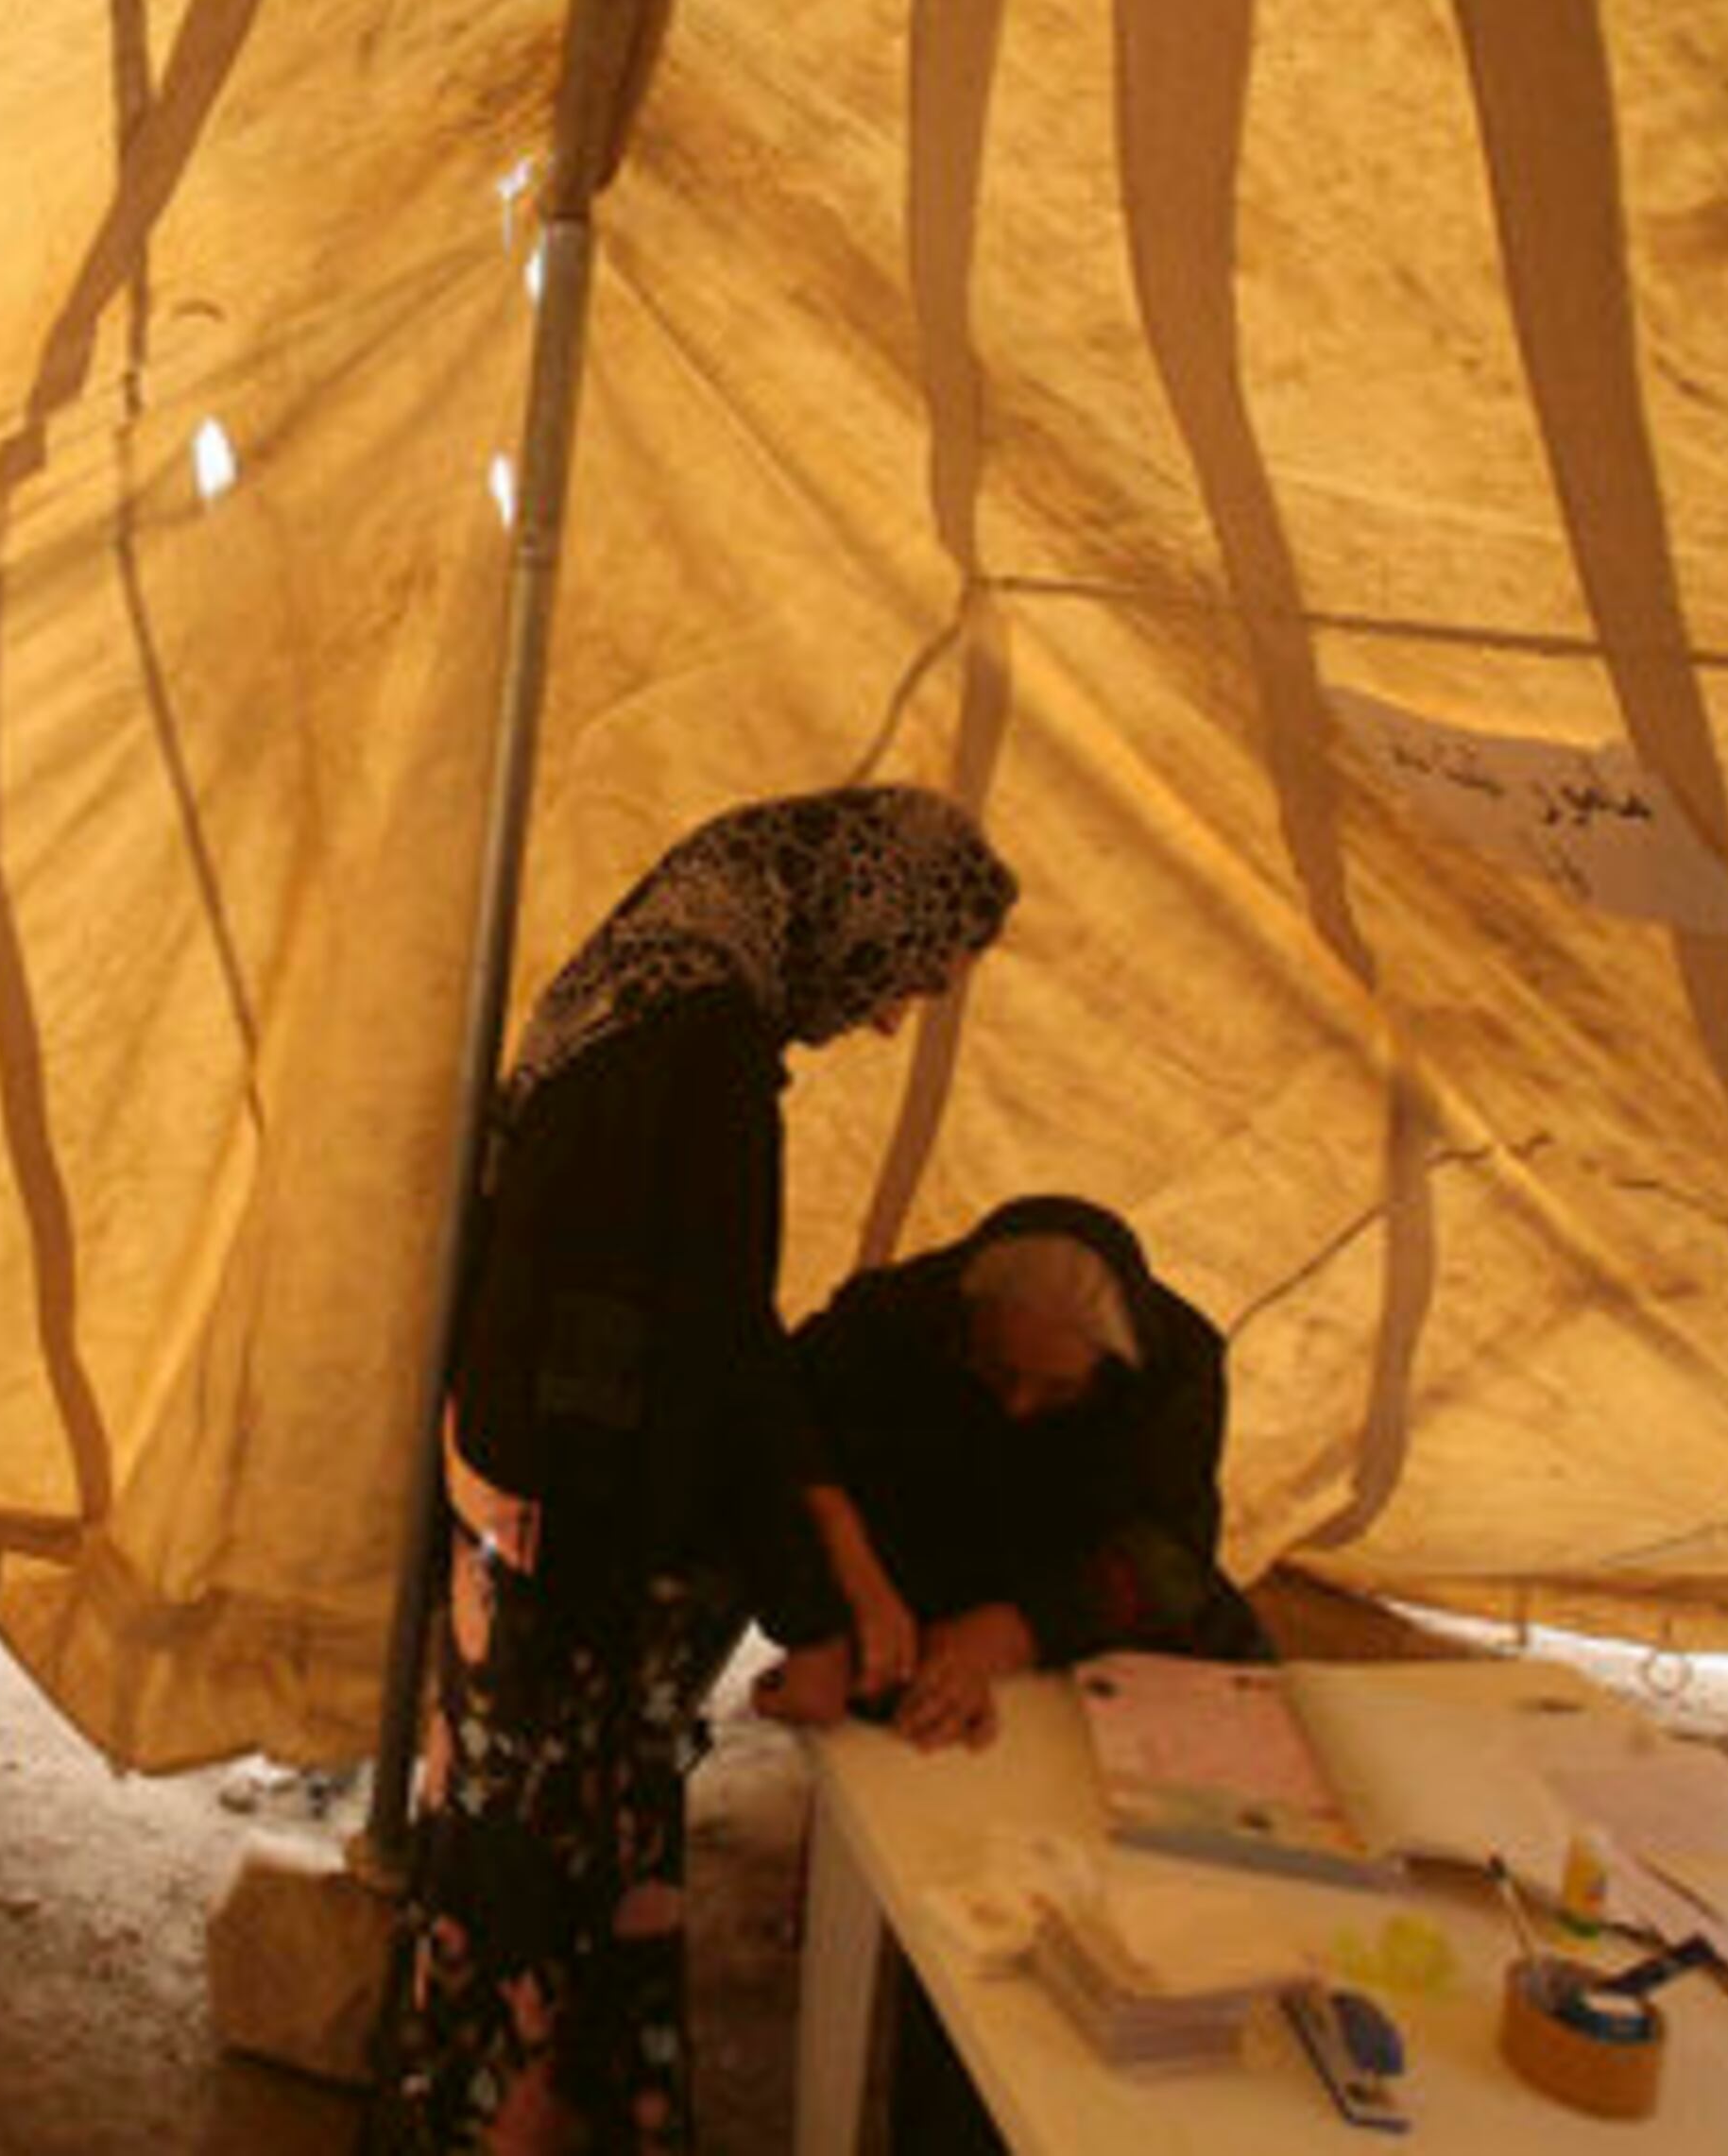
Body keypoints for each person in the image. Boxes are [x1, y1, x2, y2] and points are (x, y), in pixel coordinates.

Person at [372, 784, 1018, 2156]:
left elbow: (692, 1322)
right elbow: (708, 1351)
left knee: (518, 1863)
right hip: (570, 1516)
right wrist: (819, 1597)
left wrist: (822, 1556)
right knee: (550, 1886)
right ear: (851, 911)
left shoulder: (646, 979)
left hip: (517, 1488)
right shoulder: (706, 1050)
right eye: (903, 975)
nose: (892, 1013)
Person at [787, 1194, 1270, 2150]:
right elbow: (783, 1442)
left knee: (1161, 1897)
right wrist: (830, 1605)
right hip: (915, 1620)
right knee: (966, 1905)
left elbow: (1173, 1555)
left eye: (1055, 1392)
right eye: (997, 1372)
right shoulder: (886, 1322)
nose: (1016, 1405)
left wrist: (1008, 1631)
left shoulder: (1177, 1365)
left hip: (1098, 1642)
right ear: (965, 1321)